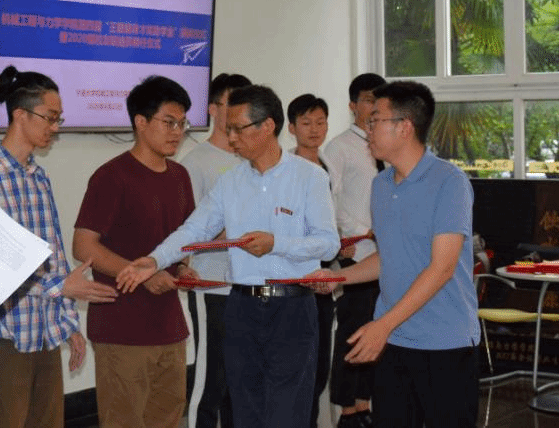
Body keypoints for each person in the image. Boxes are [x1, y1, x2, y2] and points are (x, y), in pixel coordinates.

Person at [117, 85, 340, 428]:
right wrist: (155, 259)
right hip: (241, 308)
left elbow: (328, 244)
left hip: (292, 308)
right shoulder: (231, 182)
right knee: (244, 410)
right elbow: (195, 229)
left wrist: (277, 243)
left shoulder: (309, 176)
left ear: (267, 126)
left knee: (288, 412)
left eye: (238, 128)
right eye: (228, 128)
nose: (231, 137)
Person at [310, 81, 479, 428]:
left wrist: (382, 325)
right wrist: (338, 276)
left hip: (444, 342)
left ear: (404, 127)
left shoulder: (449, 182)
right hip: (394, 341)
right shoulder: (381, 185)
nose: (367, 128)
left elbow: (442, 268)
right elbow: (388, 257)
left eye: (375, 120)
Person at [0, 66, 116, 428]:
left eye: (58, 119)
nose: (55, 127)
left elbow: (54, 256)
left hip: (45, 331)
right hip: (6, 335)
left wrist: (68, 324)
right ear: (20, 115)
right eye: (50, 117)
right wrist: (61, 287)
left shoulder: (39, 176)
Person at [72, 75, 197, 428]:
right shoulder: (112, 176)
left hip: (169, 326)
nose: (177, 132)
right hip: (122, 328)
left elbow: (182, 239)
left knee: (168, 419)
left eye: (182, 124)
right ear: (141, 122)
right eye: (168, 122)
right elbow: (83, 245)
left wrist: (183, 267)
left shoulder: (180, 176)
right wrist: (142, 275)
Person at [178, 72, 251, 428]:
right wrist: (234, 230)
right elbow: (188, 232)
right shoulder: (195, 162)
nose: (238, 113)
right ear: (212, 109)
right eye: (230, 104)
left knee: (242, 382)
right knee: (210, 382)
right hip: (213, 286)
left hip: (250, 285)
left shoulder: (252, 159)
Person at [321, 73, 385, 428]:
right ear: (352, 105)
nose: (373, 106)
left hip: (386, 256)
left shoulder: (386, 146)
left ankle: (364, 403)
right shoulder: (339, 147)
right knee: (352, 331)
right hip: (356, 255)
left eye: (379, 100)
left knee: (377, 329)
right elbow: (331, 201)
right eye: (367, 99)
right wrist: (358, 234)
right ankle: (346, 409)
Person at [286, 93, 335, 428]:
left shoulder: (327, 167)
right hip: (296, 283)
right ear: (291, 128)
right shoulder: (286, 172)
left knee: (319, 369)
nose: (315, 129)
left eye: (320, 122)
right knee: (296, 370)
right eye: (306, 123)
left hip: (324, 280)